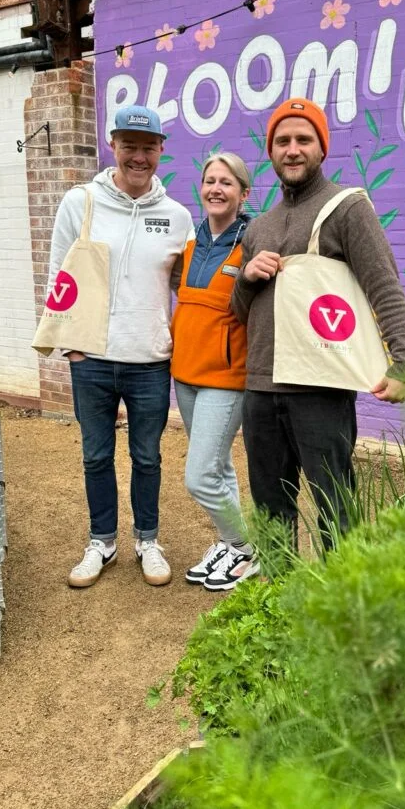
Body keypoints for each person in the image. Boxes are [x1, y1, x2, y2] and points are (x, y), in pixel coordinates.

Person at [230, 96, 405, 546]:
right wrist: (248, 279)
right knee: (271, 510)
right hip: (260, 389)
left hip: (320, 388)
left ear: (321, 148)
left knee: (336, 504)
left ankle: (340, 605)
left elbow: (383, 284)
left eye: (303, 139)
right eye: (282, 141)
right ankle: (279, 602)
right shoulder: (257, 228)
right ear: (270, 151)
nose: (292, 149)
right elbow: (239, 313)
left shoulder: (346, 208)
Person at [47, 105, 194, 589]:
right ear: (113, 145)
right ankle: (102, 542)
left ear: (160, 152)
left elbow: (190, 289)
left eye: (148, 147)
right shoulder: (80, 201)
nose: (138, 156)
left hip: (149, 361)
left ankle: (148, 540)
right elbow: (60, 274)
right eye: (129, 145)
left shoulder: (176, 216)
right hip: (91, 358)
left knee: (147, 456)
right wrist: (71, 346)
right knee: (95, 456)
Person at [170, 153, 258, 592]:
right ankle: (231, 543)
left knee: (200, 474)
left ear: (244, 194)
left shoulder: (253, 242)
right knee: (219, 467)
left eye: (227, 182)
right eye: (210, 181)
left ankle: (245, 547)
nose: (216, 189)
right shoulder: (190, 243)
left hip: (226, 379)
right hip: (185, 374)